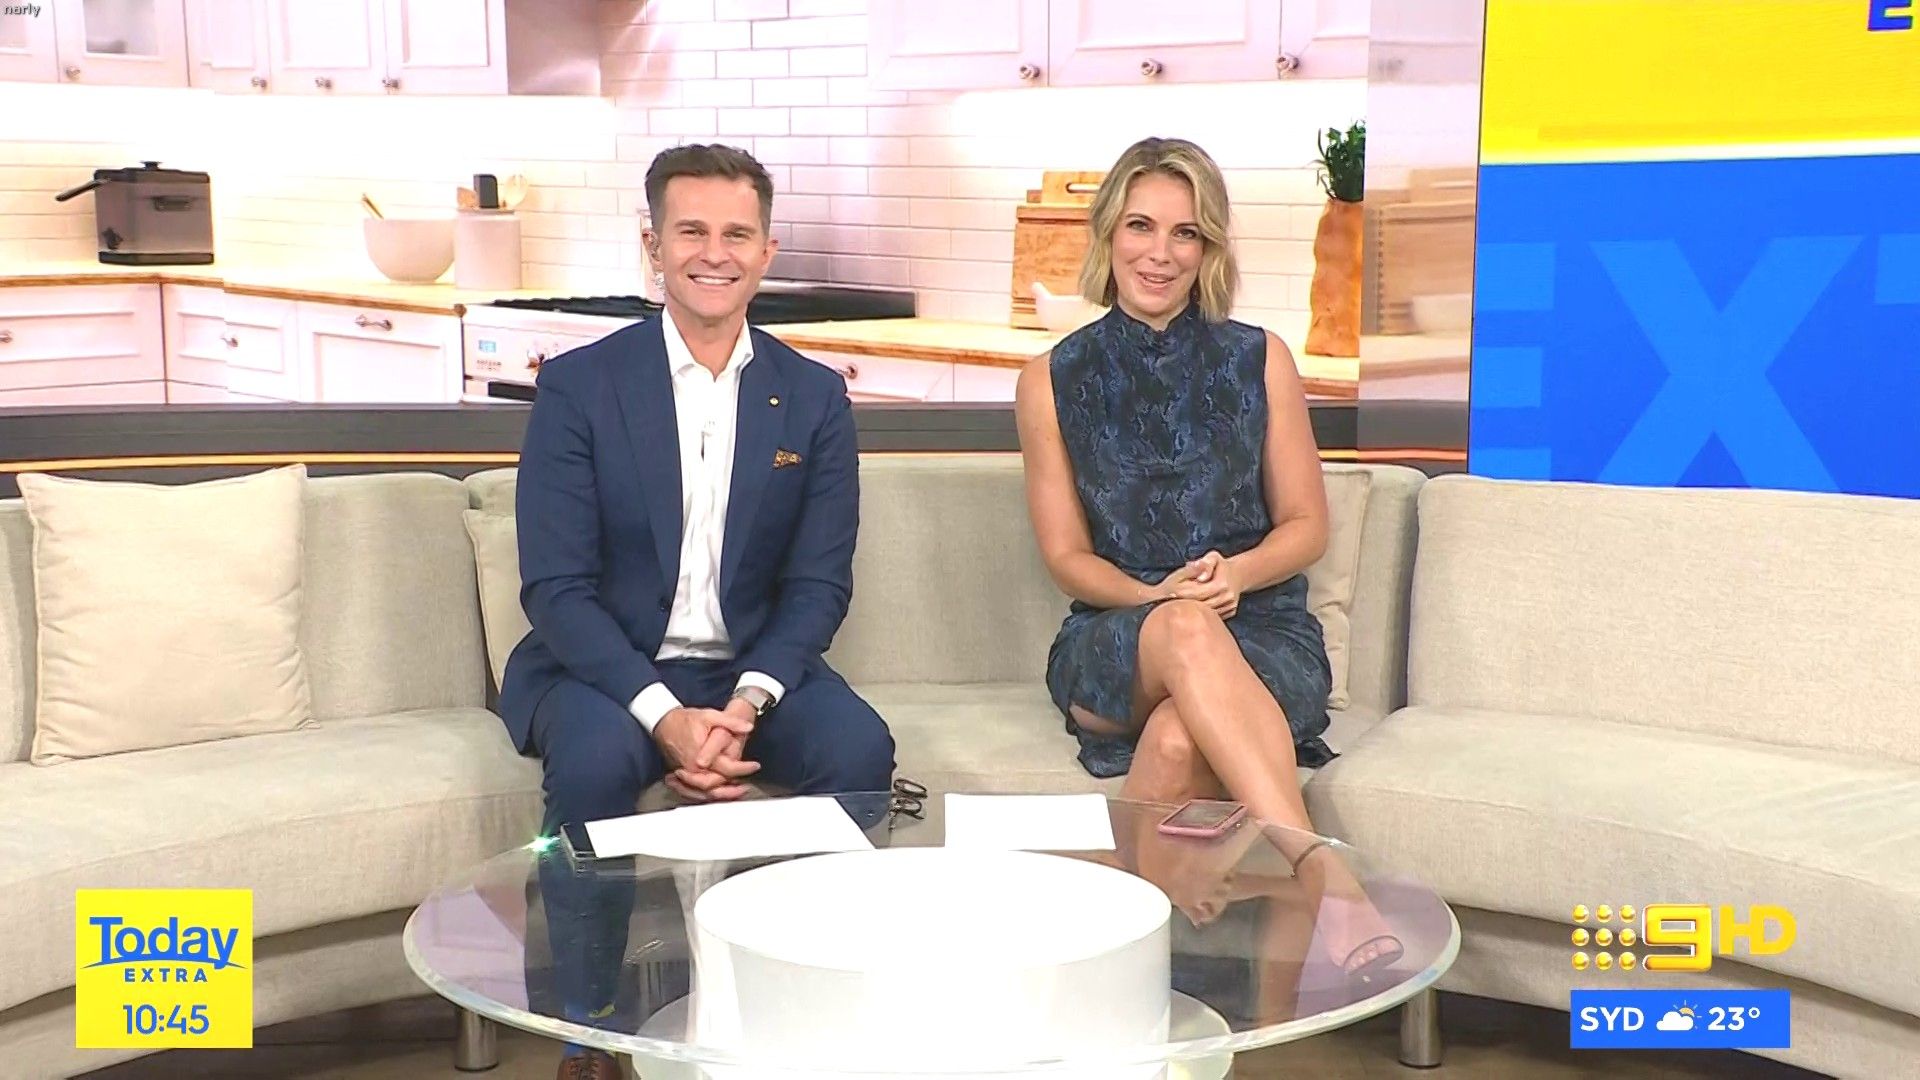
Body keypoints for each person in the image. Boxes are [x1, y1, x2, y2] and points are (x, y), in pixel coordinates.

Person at [502, 143, 895, 1079]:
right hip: (606, 667)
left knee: (859, 750)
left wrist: (745, 705)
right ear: (653, 247)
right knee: (595, 765)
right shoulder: (581, 386)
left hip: (747, 669)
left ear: (766, 252)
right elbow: (556, 588)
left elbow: (818, 586)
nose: (714, 254)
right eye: (691, 232)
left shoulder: (813, 398)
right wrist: (664, 717)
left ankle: (801, 1005)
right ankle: (591, 1033)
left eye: (736, 234)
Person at [1013, 135, 1400, 983]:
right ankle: (1320, 870)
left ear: (1208, 248)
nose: (1160, 253)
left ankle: (1125, 984)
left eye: (1184, 233)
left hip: (1262, 632)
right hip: (1119, 638)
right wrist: (1155, 596)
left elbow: (1306, 525)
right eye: (1141, 226)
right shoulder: (1050, 379)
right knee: (1184, 630)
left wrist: (1239, 574)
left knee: (1177, 739)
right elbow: (1066, 556)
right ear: (1108, 233)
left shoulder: (1259, 358)